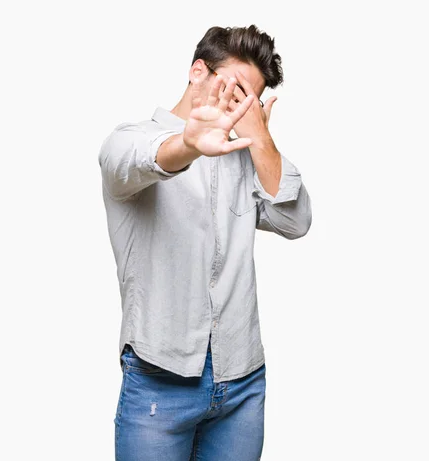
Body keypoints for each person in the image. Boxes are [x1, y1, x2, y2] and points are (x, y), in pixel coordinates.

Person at [98, 24, 312, 461]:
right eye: (232, 89)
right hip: (160, 381)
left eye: (247, 101)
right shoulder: (133, 138)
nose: (236, 108)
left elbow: (296, 220)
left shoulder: (248, 156)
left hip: (242, 383)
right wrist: (189, 144)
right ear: (198, 71)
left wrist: (261, 139)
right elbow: (134, 161)